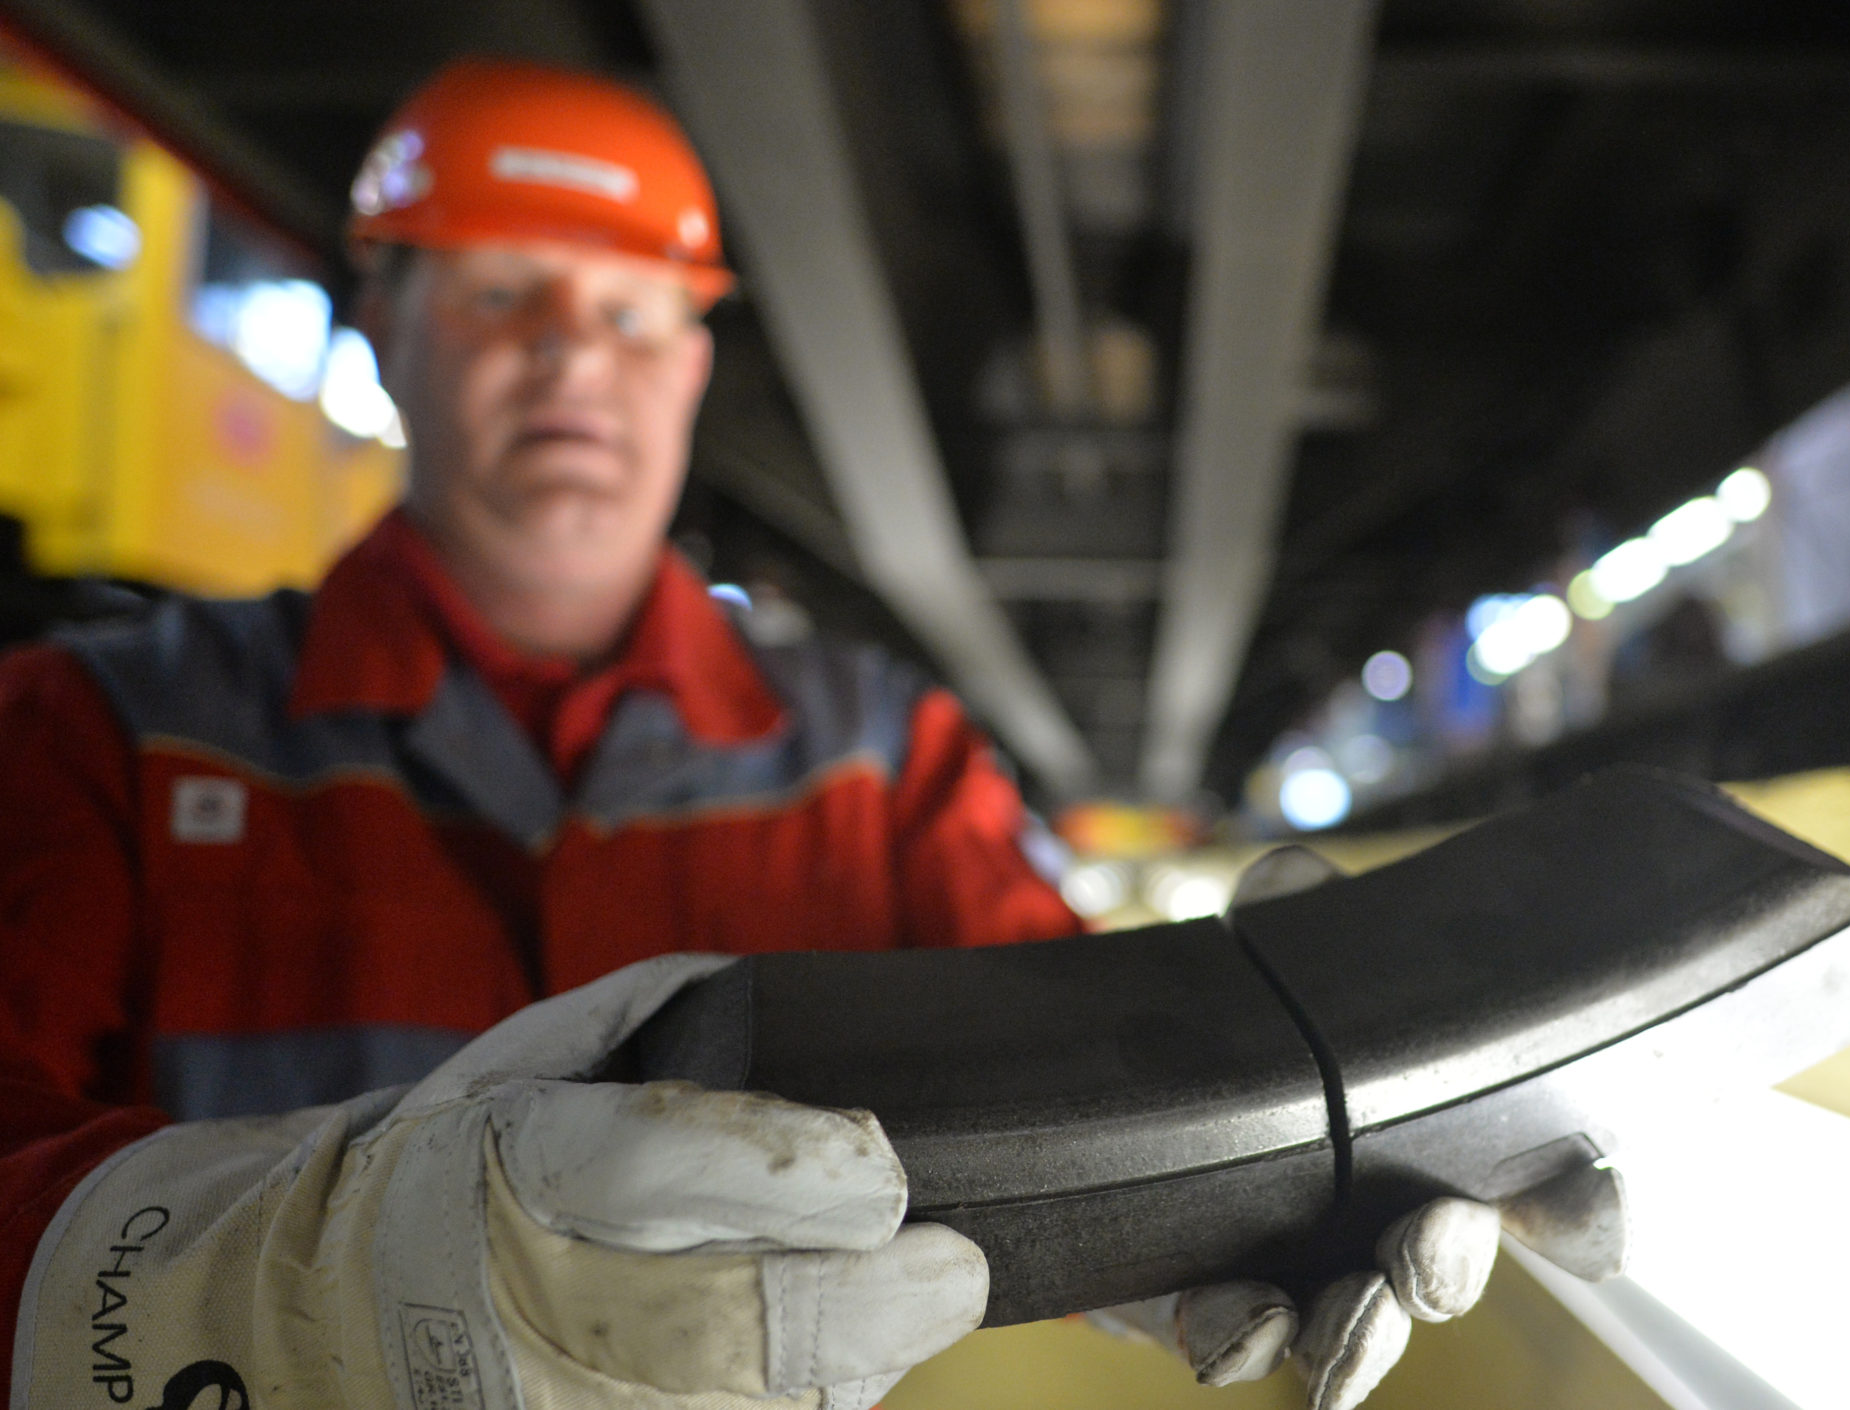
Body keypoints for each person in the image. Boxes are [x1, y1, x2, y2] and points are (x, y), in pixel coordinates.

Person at [1, 59, 1517, 1410]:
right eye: (495, 292)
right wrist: (268, 1295)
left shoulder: (884, 769)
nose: (571, 356)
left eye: (629, 310)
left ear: (693, 362)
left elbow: (1115, 1057)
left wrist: (1330, 1122)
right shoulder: (103, 740)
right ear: (382, 320)